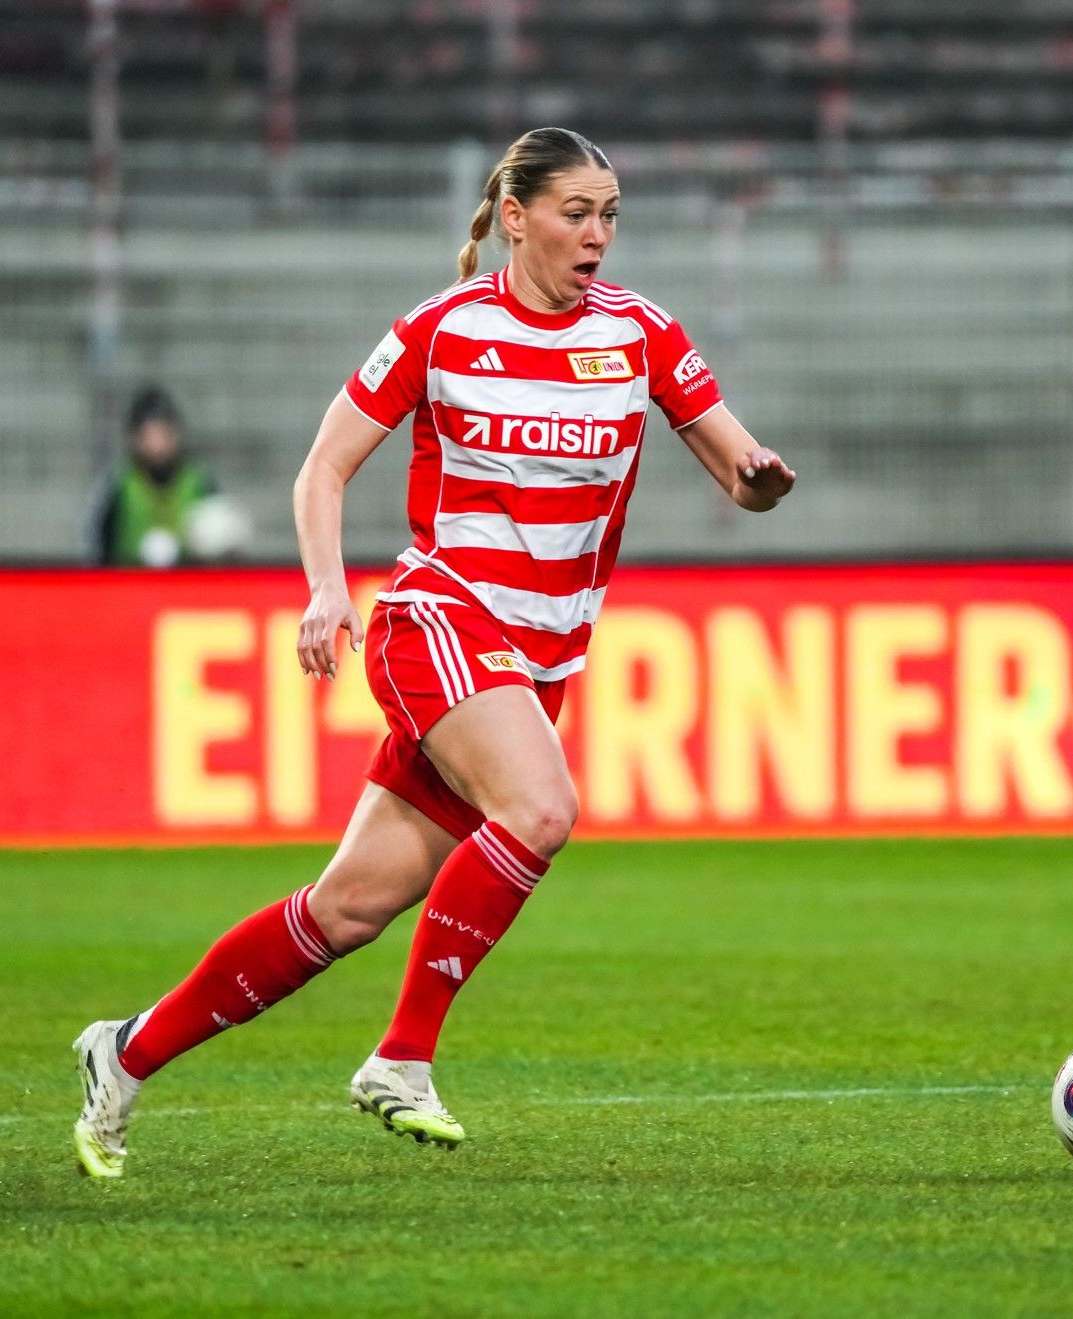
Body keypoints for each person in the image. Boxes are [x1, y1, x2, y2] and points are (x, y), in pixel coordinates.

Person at [73, 127, 796, 1178]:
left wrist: (762, 480)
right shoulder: (440, 329)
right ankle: (402, 1059)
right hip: (438, 618)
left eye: (610, 216)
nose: (597, 235)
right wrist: (326, 588)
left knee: (348, 907)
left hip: (538, 660)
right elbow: (323, 468)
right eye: (576, 213)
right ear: (516, 216)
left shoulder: (642, 335)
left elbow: (739, 464)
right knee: (544, 808)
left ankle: (124, 1052)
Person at [88, 386, 225, 566]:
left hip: (188, 585)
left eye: (163, 434)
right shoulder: (118, 485)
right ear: (135, 438)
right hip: (129, 584)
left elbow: (221, 539)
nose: (157, 445)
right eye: (148, 435)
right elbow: (97, 547)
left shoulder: (199, 482)